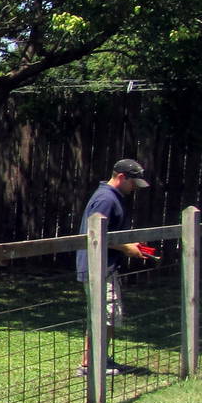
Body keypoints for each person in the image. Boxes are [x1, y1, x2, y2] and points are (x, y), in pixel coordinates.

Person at [76, 158, 152, 376]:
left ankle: (98, 359)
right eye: (133, 183)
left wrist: (129, 245)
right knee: (105, 314)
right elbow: (95, 233)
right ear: (121, 177)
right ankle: (91, 364)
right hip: (97, 266)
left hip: (105, 265)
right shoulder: (106, 199)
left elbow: (109, 234)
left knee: (106, 314)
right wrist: (127, 248)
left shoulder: (111, 197)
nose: (134, 188)